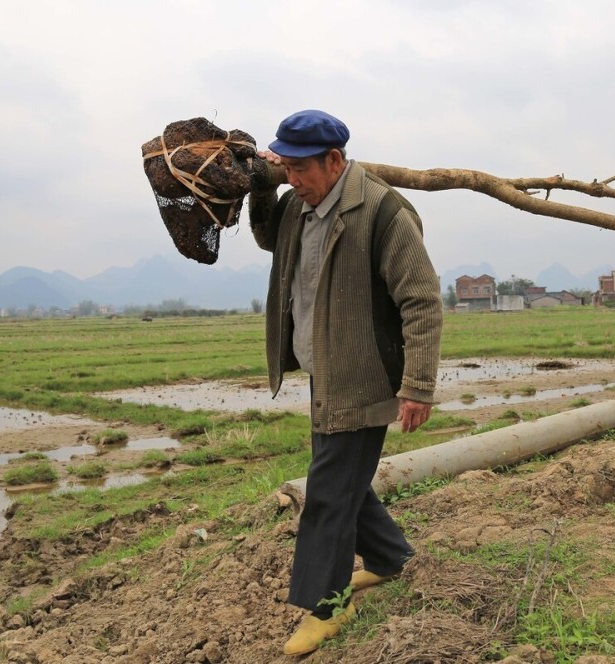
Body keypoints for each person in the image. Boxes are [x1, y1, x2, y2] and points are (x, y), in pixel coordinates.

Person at [248, 109, 442, 656]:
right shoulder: (296, 207)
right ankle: (390, 558)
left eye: (300, 169)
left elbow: (422, 302)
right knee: (344, 480)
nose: (293, 180)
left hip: (364, 376)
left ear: (335, 161)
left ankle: (326, 605)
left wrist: (418, 385)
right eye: (284, 168)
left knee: (328, 492)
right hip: (324, 372)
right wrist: (261, 187)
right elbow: (270, 237)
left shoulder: (383, 212)